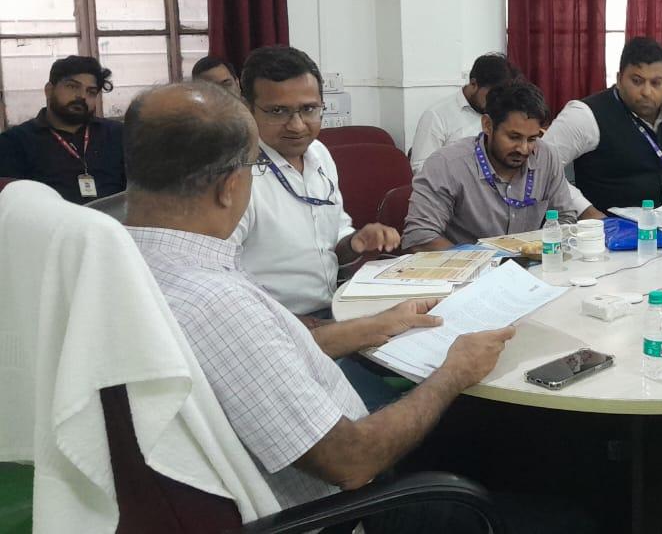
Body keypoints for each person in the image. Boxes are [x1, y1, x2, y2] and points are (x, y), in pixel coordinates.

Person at [120, 82, 526, 533]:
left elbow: (257, 353)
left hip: (233, 490)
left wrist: (378, 325)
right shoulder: (219, 301)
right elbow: (352, 461)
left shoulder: (120, 267)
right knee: (531, 493)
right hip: (339, 511)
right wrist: (453, 372)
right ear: (229, 186)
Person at [232, 45, 400, 317]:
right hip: (276, 321)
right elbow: (221, 279)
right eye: (278, 111)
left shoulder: (319, 154)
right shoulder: (236, 175)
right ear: (247, 109)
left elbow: (333, 242)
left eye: (309, 109)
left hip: (333, 308)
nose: (297, 125)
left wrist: (356, 241)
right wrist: (300, 327)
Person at [403, 81, 602, 250]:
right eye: (513, 137)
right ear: (487, 125)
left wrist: (543, 251)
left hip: (530, 268)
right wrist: (479, 262)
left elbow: (565, 219)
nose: (523, 149)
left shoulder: (546, 156)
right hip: (466, 273)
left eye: (532, 139)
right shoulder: (447, 164)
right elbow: (420, 237)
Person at [542, 37, 662, 213]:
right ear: (619, 79)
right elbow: (543, 167)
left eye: (656, 83)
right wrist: (586, 211)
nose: (646, 91)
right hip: (610, 225)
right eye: (637, 81)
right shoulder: (584, 115)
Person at [0, 55, 125, 204]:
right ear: (49, 90)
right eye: (72, 87)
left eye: (91, 92)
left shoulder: (117, 134)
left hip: (113, 218)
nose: (82, 96)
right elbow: (13, 203)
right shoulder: (14, 142)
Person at [410, 53, 519, 172]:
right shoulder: (436, 115)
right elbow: (421, 168)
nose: (495, 102)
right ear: (473, 84)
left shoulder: (500, 111)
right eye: (491, 95)